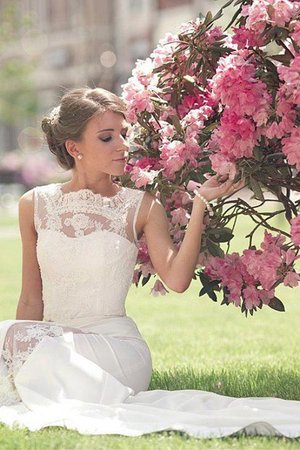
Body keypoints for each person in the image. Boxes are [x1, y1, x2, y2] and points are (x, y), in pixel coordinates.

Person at [0, 87, 299, 438]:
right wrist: (20, 351)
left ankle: (49, 386)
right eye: (107, 137)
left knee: (10, 333)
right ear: (74, 147)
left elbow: (176, 279)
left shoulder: (141, 205)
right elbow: (32, 299)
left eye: (124, 135)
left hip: (118, 351)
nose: (123, 146)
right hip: (57, 348)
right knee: (9, 334)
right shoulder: (33, 204)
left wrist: (199, 203)